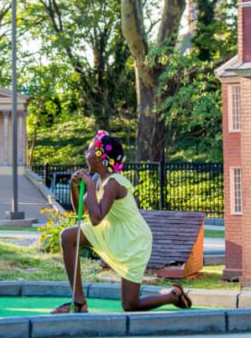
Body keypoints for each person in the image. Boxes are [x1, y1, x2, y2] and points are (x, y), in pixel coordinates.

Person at [52, 130, 192, 313]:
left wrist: (91, 187)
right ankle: (79, 302)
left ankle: (173, 295)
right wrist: (73, 187)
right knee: (68, 236)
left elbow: (96, 218)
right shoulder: (97, 179)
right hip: (110, 230)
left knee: (130, 305)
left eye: (90, 151)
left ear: (102, 158)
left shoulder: (114, 182)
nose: (86, 155)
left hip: (133, 240)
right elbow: (81, 210)